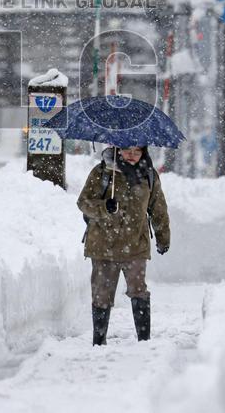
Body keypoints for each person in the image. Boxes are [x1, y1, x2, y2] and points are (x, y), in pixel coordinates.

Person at [77, 145, 170, 346]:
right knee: (101, 295)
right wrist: (103, 207)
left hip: (136, 245)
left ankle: (144, 340)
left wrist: (163, 238)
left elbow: (158, 208)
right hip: (103, 245)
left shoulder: (149, 175)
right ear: (118, 150)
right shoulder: (102, 172)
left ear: (143, 153)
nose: (131, 156)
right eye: (127, 151)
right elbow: (83, 202)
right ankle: (98, 342)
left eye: (137, 152)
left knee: (139, 291)